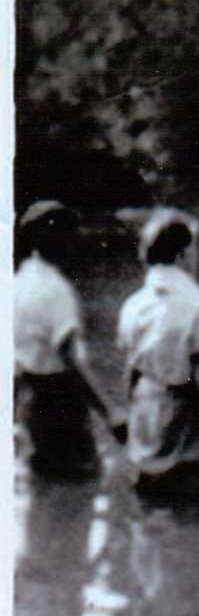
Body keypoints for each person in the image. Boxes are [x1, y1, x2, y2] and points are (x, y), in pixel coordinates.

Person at [116, 209, 199, 500]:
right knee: (191, 500)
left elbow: (130, 374)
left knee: (150, 501)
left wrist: (132, 422)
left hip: (145, 411)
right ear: (183, 254)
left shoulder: (133, 305)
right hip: (185, 414)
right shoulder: (196, 305)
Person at [14, 201, 114, 482]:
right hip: (60, 404)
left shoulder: (17, 283)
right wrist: (108, 412)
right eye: (68, 235)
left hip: (28, 399)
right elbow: (72, 360)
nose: (72, 243)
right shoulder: (56, 290)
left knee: (39, 484)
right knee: (78, 484)